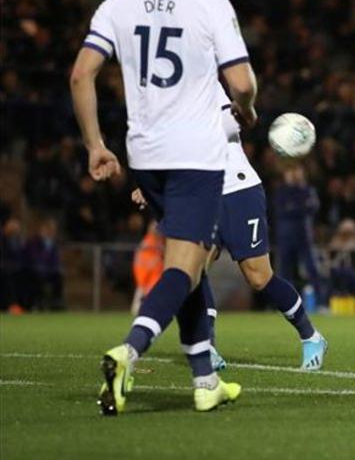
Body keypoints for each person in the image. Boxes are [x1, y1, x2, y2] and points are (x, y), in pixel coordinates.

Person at [70, 0, 254, 415]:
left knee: (186, 261)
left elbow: (80, 75)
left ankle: (203, 380)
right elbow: (240, 81)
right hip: (195, 154)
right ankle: (128, 351)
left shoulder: (117, 4)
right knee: (183, 268)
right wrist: (248, 109)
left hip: (145, 155)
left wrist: (94, 145)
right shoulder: (211, 2)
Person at [131, 95, 328, 371]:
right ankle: (207, 345)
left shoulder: (205, 86)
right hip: (202, 195)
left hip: (238, 191)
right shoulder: (168, 99)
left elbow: (230, 125)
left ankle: (311, 336)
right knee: (191, 270)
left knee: (259, 277)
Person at [274, 165, 324, 305]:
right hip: (286, 238)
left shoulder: (307, 190)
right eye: (292, 172)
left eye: (297, 171)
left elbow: (312, 208)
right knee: (285, 274)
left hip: (304, 237)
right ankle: (286, 305)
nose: (295, 175)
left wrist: (293, 207)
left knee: (313, 270)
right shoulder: (282, 192)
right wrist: (300, 208)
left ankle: (321, 303)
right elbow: (281, 211)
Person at [131, 221, 164, 314]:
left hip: (155, 272)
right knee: (141, 290)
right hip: (145, 271)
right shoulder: (147, 242)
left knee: (152, 292)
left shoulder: (158, 242)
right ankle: (137, 309)